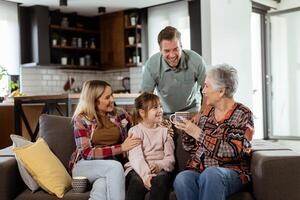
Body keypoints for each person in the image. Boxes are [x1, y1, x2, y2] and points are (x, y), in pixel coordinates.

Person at [173, 64, 254, 200]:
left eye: (206, 86)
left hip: (230, 172)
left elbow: (234, 151)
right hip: (199, 170)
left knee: (211, 175)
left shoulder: (242, 114)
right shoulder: (206, 114)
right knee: (182, 178)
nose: (203, 91)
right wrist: (187, 132)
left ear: (221, 91)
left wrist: (198, 133)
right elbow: (190, 148)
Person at [69, 80, 141, 200]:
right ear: (94, 100)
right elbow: (86, 153)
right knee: (116, 167)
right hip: (85, 166)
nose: (112, 99)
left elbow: (141, 126)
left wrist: (164, 126)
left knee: (101, 186)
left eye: (111, 95)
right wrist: (121, 148)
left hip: (108, 169)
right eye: (107, 97)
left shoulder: (120, 114)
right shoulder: (82, 119)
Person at [141, 26, 207, 121]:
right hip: (164, 115)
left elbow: (208, 91)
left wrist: (202, 114)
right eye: (167, 51)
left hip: (192, 113)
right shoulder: (151, 64)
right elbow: (146, 97)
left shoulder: (197, 61)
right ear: (160, 50)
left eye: (175, 49)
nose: (172, 55)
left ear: (181, 46)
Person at [124, 92, 175, 200]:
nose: (160, 110)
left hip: (159, 170)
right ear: (142, 112)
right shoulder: (135, 131)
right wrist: (146, 176)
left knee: (161, 180)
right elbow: (136, 157)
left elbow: (170, 159)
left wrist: (159, 165)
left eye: (160, 106)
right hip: (138, 169)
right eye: (155, 108)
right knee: (136, 181)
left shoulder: (165, 132)